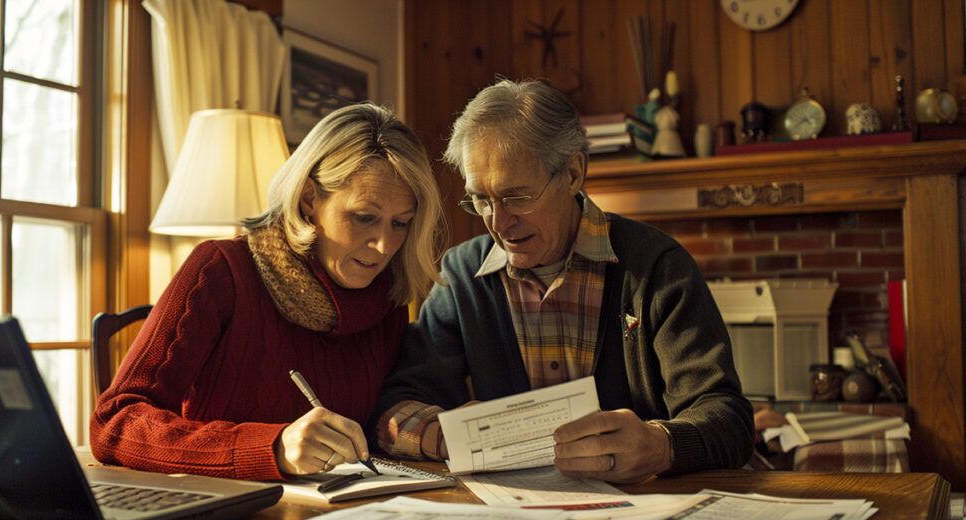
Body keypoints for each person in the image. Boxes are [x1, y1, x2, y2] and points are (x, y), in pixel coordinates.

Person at [374, 79, 753, 484]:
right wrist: (442, 435)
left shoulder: (657, 267)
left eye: (517, 197)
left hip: (641, 518)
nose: (498, 224)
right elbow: (396, 406)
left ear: (573, 173)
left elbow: (728, 418)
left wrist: (661, 445)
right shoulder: (462, 276)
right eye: (481, 199)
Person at [91, 103, 444, 481]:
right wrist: (273, 447)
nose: (383, 246)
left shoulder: (388, 296)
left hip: (347, 516)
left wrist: (421, 429)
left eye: (400, 223)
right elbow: (114, 422)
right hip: (225, 512)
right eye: (364, 217)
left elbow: (375, 419)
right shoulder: (220, 270)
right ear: (310, 199)